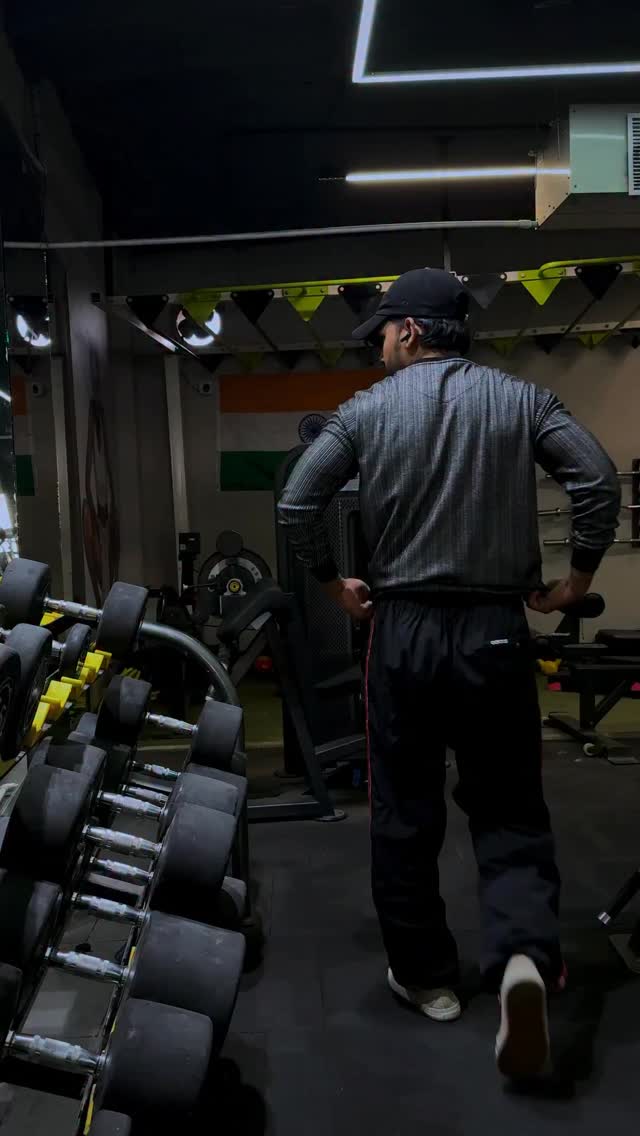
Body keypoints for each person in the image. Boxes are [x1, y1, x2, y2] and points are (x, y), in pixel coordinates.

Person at [277, 267, 620, 1079]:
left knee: (404, 810)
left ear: (408, 331)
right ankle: (523, 960)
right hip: (496, 631)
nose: (380, 349)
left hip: (403, 632)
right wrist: (576, 579)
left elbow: (297, 504)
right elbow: (597, 480)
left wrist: (332, 583)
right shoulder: (523, 400)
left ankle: (428, 978)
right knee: (508, 807)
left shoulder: (366, 409)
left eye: (382, 334)